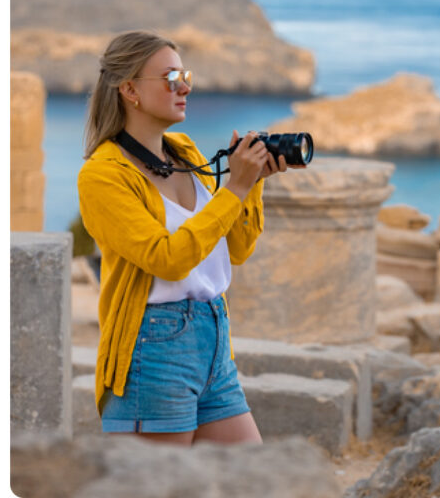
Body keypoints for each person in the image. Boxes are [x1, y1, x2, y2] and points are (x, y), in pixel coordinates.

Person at [78, 30, 287, 444]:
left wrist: (253, 183)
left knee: (251, 481)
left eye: (184, 74)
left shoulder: (186, 153)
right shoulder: (102, 175)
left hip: (213, 338)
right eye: (171, 77)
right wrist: (235, 189)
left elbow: (238, 249)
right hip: (152, 349)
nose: (185, 86)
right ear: (131, 89)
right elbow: (167, 258)